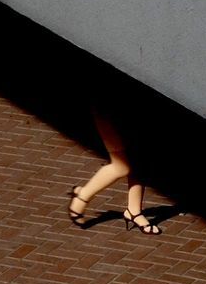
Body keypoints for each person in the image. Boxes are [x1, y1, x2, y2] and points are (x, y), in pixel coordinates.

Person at [66, 88, 163, 236]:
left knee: (139, 159)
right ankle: (82, 196)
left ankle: (134, 211)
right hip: (109, 109)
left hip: (129, 108)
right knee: (121, 166)